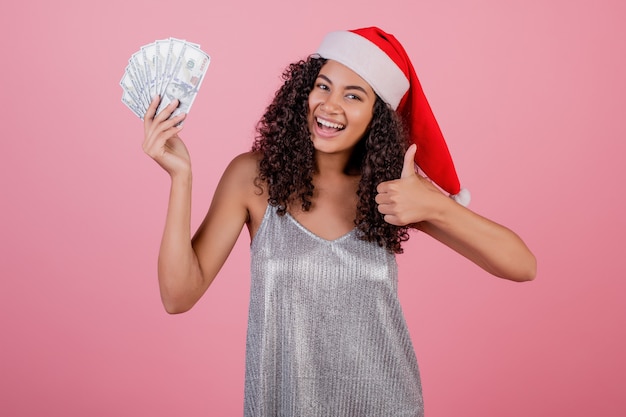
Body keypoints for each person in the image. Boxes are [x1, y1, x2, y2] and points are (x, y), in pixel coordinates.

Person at [142, 26, 536, 417]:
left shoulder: (393, 189)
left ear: (376, 115)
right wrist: (181, 178)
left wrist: (437, 206)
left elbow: (522, 265)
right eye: (323, 86)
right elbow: (178, 296)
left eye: (353, 95)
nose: (330, 105)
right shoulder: (254, 179)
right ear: (304, 91)